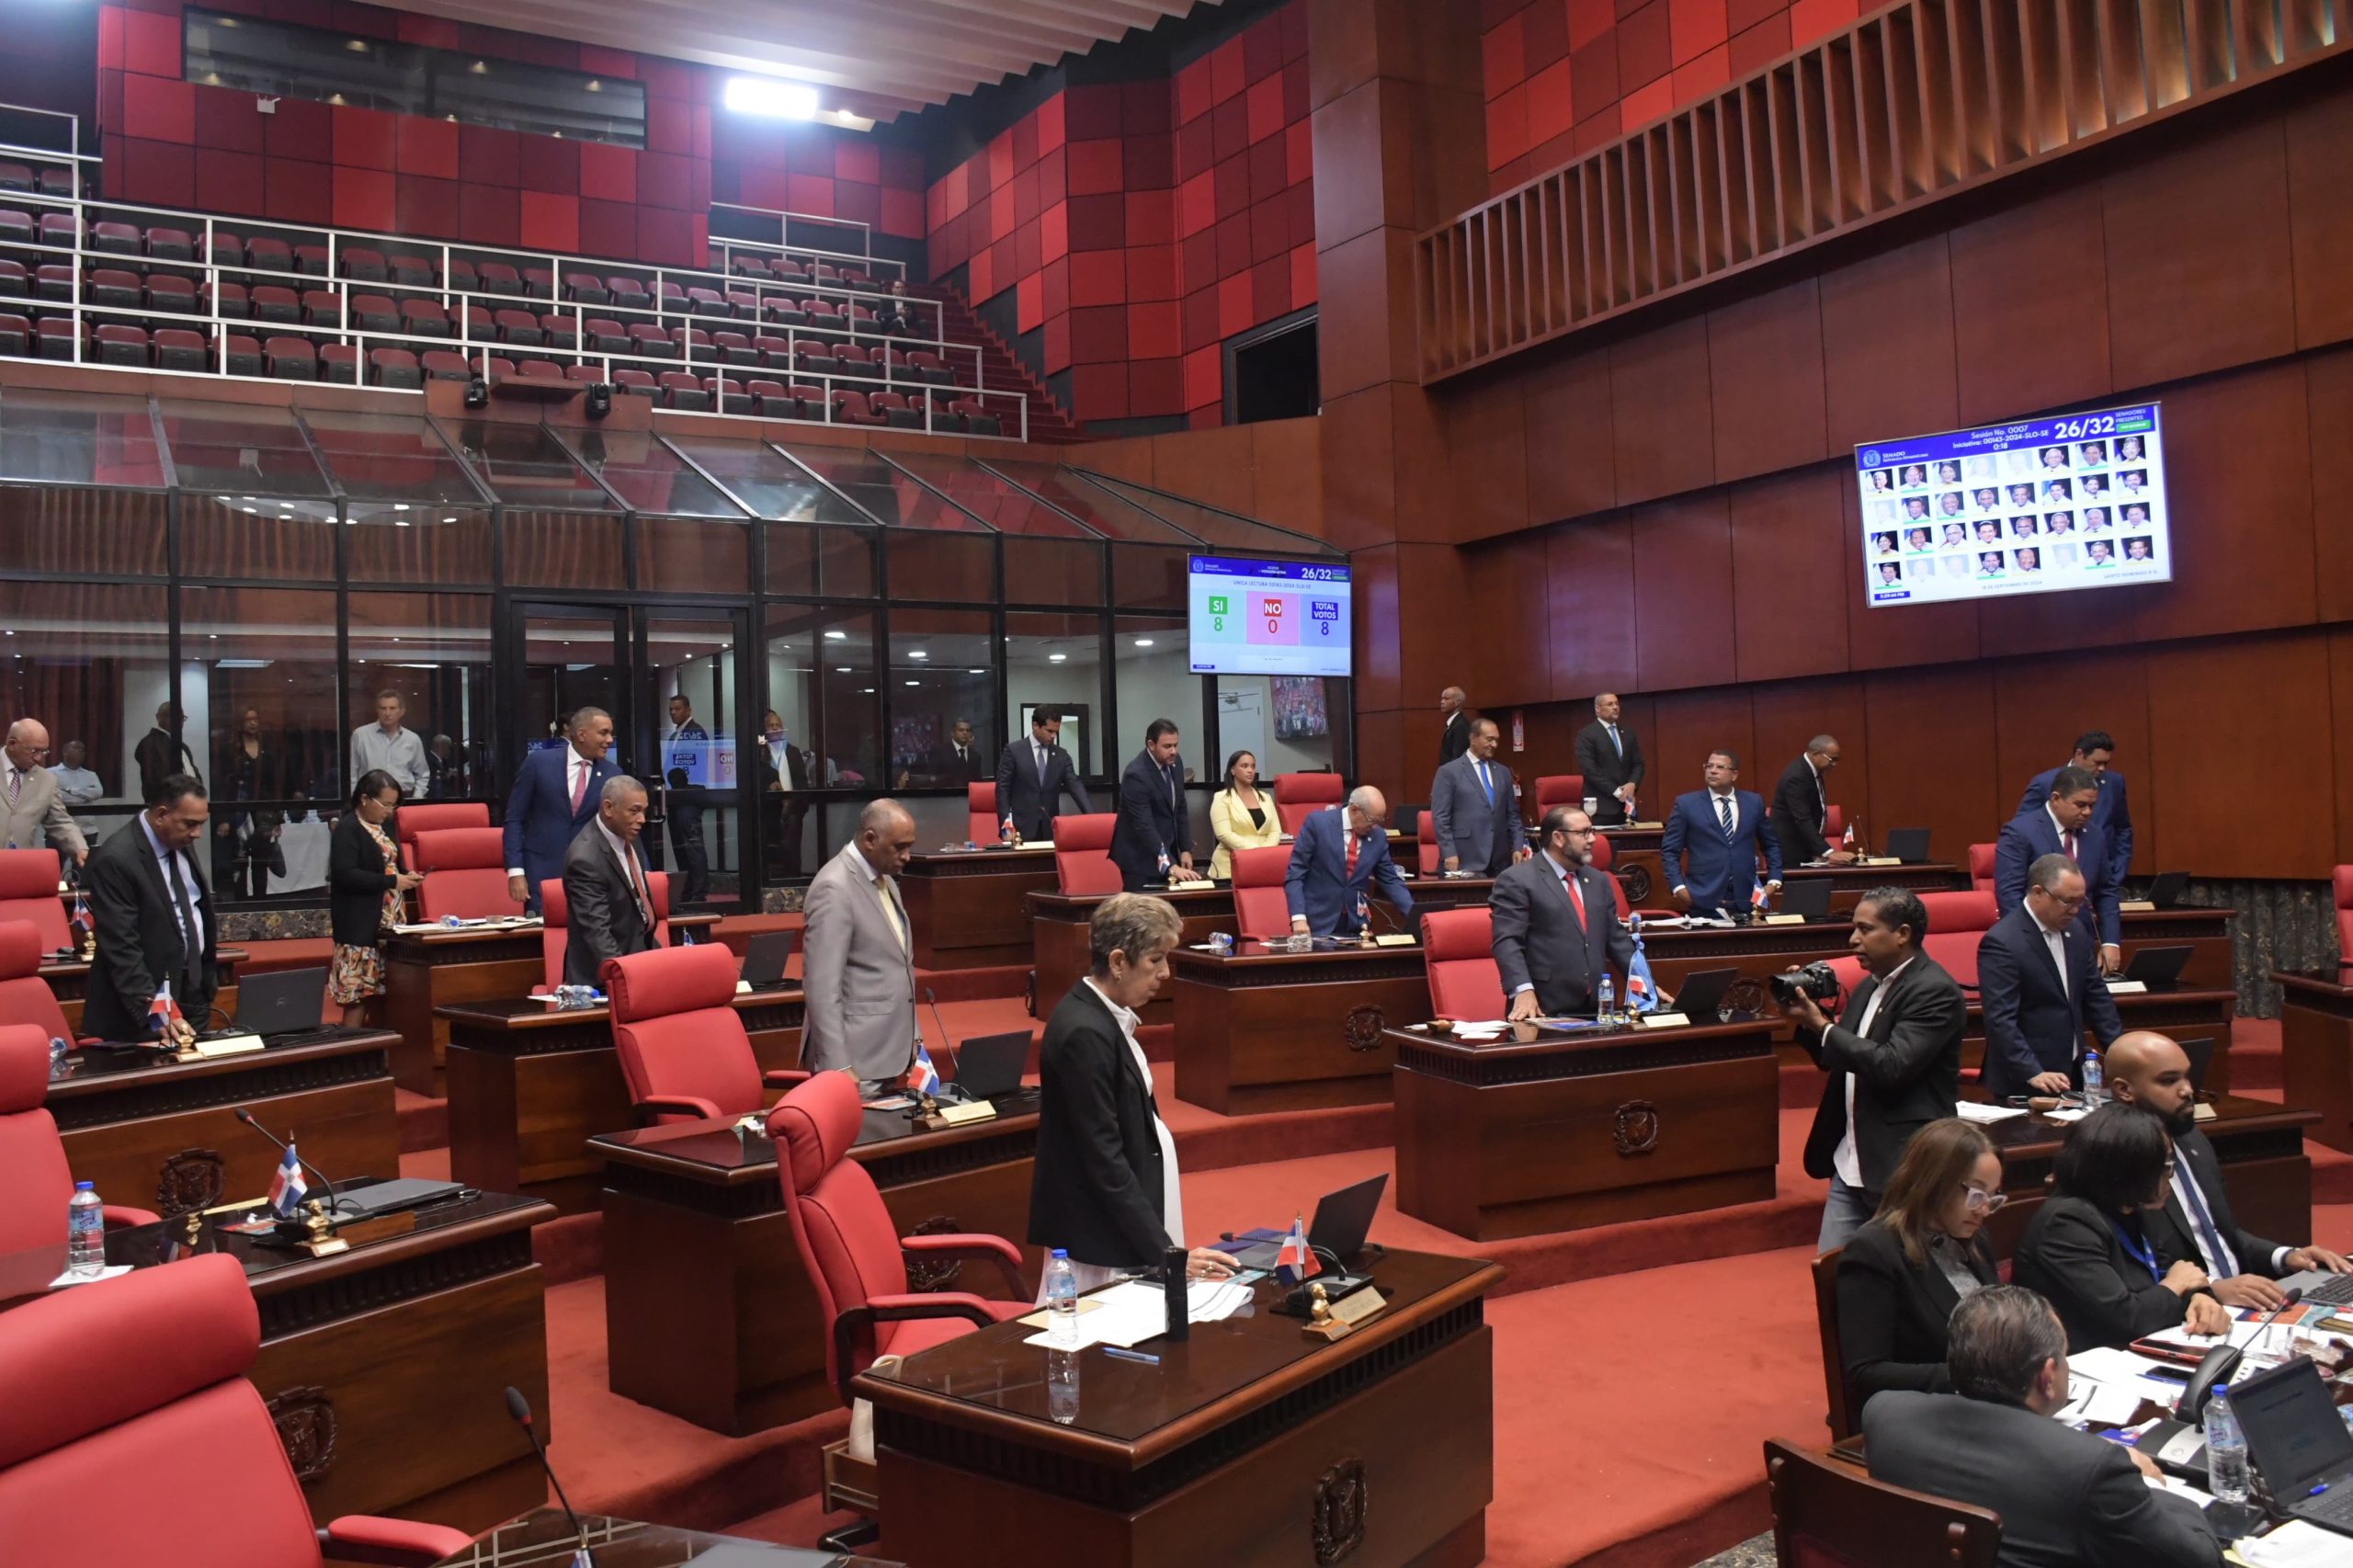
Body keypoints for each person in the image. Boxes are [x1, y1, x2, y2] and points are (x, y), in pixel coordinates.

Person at [1863, 1287, 2224, 1568]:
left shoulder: (1885, 1415)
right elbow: (2201, 1560)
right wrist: (2140, 1480)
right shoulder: (2093, 1469)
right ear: (2048, 1377)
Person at [1029, 893, 1240, 1290]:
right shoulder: (1083, 1033)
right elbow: (1102, 1157)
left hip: (1124, 1221)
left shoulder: (1104, 1016)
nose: (1165, 973)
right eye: (1155, 960)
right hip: (1100, 1237)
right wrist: (1164, 1252)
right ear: (1118, 962)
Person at [2105, 1030, 2351, 1307]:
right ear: (2124, 1090)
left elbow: (2222, 1234)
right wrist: (2213, 1290)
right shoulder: (2113, 1166)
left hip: (2246, 1305)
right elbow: (2133, 1273)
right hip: (2187, 1314)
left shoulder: (2192, 1141)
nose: (2187, 1089)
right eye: (2168, 1081)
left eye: (2187, 1076)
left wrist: (2286, 1256)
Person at [1788, 887, 1966, 1249]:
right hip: (1850, 1158)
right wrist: (1811, 1023)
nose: (1853, 940)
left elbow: (1891, 1066)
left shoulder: (1935, 990)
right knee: (1835, 1279)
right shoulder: (1871, 986)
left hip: (1901, 1165)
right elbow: (1837, 1058)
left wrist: (1824, 1028)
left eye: (1865, 930)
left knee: (1901, 1282)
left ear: (1902, 934)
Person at [2013, 1103, 2231, 1349]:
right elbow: (2126, 1317)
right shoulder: (2066, 1223)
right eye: (2164, 1167)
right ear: (2128, 1172)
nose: (2169, 1176)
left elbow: (2172, 1271)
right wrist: (2177, 1285)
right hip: (2081, 1364)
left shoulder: (2134, 1208)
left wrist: (2199, 1297)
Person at [1833, 1119, 2003, 1412]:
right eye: (1976, 1195)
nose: (1984, 1210)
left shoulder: (1974, 1238)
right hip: (1919, 1414)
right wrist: (1975, 1379)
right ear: (1934, 1183)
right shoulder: (1874, 1251)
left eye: (1991, 1197)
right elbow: (1866, 1373)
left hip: (1985, 1405)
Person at [83, 773, 215, 1045]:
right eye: (190, 824)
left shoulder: (177, 840)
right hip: (143, 1007)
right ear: (161, 815)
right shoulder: (116, 858)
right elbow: (120, 945)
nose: (197, 834)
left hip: (193, 991)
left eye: (201, 824)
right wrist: (154, 1010)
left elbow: (192, 908)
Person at [1977, 853, 2123, 1098]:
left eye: (2081, 902)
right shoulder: (2002, 942)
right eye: (2068, 902)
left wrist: (2123, 1056)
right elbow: (2000, 1019)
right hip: (2025, 1080)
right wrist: (2032, 1071)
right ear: (2037, 892)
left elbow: (2096, 998)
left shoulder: (2075, 931)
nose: (2075, 911)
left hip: (2072, 1073)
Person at [801, 799, 920, 1082]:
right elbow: (821, 987)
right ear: (870, 839)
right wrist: (838, 1066)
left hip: (891, 1051)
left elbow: (897, 965)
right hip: (855, 1060)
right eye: (899, 847)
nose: (907, 856)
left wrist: (914, 1037)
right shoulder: (834, 887)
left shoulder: (886, 880)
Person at [1494, 805, 1631, 1020]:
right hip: (1542, 1009)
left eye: (1592, 831)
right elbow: (1507, 942)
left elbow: (1617, 940)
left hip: (1596, 1009)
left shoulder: (1599, 881)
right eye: (1583, 833)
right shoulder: (1517, 880)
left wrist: (1645, 983)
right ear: (1558, 838)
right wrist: (1523, 990)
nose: (1593, 839)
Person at [1994, 765, 2120, 973]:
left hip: (2080, 943)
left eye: (2091, 805)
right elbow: (2009, 894)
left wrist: (2110, 942)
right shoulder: (2020, 832)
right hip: (2035, 943)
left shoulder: (2095, 835)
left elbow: (2106, 890)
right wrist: (2027, 944)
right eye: (2080, 805)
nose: (2087, 812)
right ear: (2055, 799)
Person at [327, 769, 422, 1026]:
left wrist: (406, 876)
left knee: (384, 995)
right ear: (365, 799)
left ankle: (385, 1057)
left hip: (388, 924)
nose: (390, 811)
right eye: (386, 804)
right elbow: (346, 875)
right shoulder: (348, 829)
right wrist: (393, 881)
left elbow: (387, 867)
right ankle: (350, 1058)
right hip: (359, 928)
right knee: (359, 997)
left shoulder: (382, 828)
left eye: (394, 805)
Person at [503, 707, 619, 915]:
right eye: (603, 732)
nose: (610, 739)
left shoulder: (612, 773)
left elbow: (620, 827)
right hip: (541, 871)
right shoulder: (538, 763)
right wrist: (515, 871)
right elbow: (514, 819)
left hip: (590, 876)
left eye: (610, 733)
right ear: (582, 734)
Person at [561, 776, 661, 989]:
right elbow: (598, 933)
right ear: (608, 808)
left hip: (640, 960)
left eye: (644, 811)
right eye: (634, 811)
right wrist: (625, 978)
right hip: (604, 980)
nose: (642, 819)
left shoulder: (629, 838)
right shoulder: (585, 859)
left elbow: (637, 908)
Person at [1660, 750, 1780, 916]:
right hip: (1702, 896)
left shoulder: (1753, 802)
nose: (1712, 770)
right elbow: (1670, 851)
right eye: (1709, 766)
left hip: (1746, 897)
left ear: (1734, 774)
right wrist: (1678, 888)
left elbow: (1771, 845)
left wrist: (1774, 881)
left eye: (1720, 767)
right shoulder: (1686, 804)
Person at [1286, 786, 1411, 938]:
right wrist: (1298, 917)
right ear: (1354, 810)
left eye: (1380, 821)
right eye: (1372, 820)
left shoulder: (1377, 836)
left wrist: (1414, 915)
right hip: (1317, 924)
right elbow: (1295, 874)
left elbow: (1390, 880)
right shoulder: (1318, 824)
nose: (1375, 827)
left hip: (1357, 925)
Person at [1429, 718, 1526, 878]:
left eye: (1497, 740)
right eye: (1489, 739)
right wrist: (1449, 852)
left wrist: (1517, 847)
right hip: (1464, 859)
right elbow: (1440, 817)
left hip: (1500, 862)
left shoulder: (1502, 772)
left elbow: (1513, 816)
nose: (1494, 745)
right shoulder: (1449, 772)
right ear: (1473, 739)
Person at [1109, 719, 1192, 891]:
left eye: (1176, 745)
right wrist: (1170, 866)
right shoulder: (1136, 774)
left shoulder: (1176, 764)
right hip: (1139, 859)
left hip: (1167, 851)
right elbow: (1144, 826)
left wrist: (1185, 849)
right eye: (1167, 746)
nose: (1173, 751)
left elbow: (1180, 807)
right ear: (1151, 744)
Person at [0, 719, 88, 867]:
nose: (38, 758)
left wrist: (80, 848)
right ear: (12, 744)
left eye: (44, 751)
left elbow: (60, 822)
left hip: (18, 869)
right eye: (34, 751)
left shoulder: (47, 780)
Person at [995, 708, 1091, 841]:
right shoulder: (1014, 751)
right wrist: (1006, 826)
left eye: (1056, 732)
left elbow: (1075, 786)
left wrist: (1092, 817)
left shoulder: (1061, 755)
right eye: (1049, 731)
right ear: (1035, 725)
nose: (1053, 736)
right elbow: (1002, 790)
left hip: (1049, 828)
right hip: (1019, 829)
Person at [214, 707, 280, 901]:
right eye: (248, 719)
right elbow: (222, 785)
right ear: (240, 723)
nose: (253, 723)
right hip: (237, 810)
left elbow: (274, 783)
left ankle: (260, 904)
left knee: (261, 862)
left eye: (256, 719)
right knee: (239, 862)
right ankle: (241, 905)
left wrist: (277, 818)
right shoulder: (230, 749)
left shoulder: (266, 747)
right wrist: (223, 818)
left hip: (262, 812)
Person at [1771, 734, 1853, 869]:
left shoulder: (1812, 772)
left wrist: (1818, 850)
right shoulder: (1796, 776)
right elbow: (1802, 819)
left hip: (1807, 849)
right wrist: (1828, 852)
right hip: (1792, 852)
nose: (1834, 764)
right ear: (1815, 754)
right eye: (1831, 760)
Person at [662, 696, 710, 905]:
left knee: (692, 846)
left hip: (689, 796)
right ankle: (687, 890)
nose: (673, 713)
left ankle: (698, 893)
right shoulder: (674, 736)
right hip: (676, 797)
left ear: (688, 710)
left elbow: (694, 766)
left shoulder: (695, 732)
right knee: (681, 846)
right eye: (671, 709)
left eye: (677, 709)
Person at [1207, 749, 1281, 880]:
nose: (1250, 770)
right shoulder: (1222, 798)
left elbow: (1275, 831)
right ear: (1232, 770)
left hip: (1262, 865)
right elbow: (1224, 834)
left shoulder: (1265, 797)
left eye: (1253, 766)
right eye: (1244, 766)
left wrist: (1265, 853)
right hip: (1229, 868)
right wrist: (1255, 852)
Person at [1572, 692, 1644, 825]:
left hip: (1627, 807)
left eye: (1617, 703)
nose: (1615, 707)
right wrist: (1618, 793)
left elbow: (1638, 764)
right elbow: (1590, 771)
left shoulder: (1628, 732)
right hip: (1600, 809)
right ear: (1597, 708)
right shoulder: (1586, 734)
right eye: (1610, 704)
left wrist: (1632, 784)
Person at [757, 710, 814, 875]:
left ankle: (793, 883)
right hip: (769, 811)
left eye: (778, 725)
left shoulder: (793, 752)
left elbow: (802, 781)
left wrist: (797, 805)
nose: (775, 728)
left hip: (793, 810)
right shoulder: (760, 753)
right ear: (765, 730)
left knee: (792, 851)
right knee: (771, 854)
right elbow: (756, 779)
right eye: (771, 726)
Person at [349, 691, 431, 802]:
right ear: (377, 710)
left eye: (392, 708)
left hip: (404, 799)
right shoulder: (361, 735)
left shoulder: (412, 739)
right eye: (383, 708)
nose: (387, 713)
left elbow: (422, 775)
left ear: (401, 711)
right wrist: (356, 801)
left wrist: (416, 799)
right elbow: (352, 773)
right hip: (370, 800)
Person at [134, 703, 198, 803]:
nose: (179, 721)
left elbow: (192, 773)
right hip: (168, 804)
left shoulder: (182, 746)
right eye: (173, 716)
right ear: (159, 717)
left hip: (187, 802)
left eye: (181, 718)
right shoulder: (150, 743)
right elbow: (151, 780)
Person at [50, 739, 103, 853]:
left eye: (83, 749)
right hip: (59, 831)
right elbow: (56, 796)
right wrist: (85, 796)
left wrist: (72, 791)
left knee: (84, 869)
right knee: (55, 867)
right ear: (64, 751)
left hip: (87, 831)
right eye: (77, 748)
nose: (81, 751)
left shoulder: (90, 775)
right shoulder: (50, 773)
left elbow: (98, 792)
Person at [929, 718, 990, 786]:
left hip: (968, 795)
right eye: (961, 730)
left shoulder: (975, 756)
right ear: (952, 733)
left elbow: (977, 782)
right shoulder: (940, 752)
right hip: (945, 794)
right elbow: (932, 778)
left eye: (968, 730)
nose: (965, 733)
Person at [1437, 686, 1472, 766]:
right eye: (1442, 699)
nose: (1442, 702)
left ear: (1457, 702)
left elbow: (1458, 757)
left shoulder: (1461, 725)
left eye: (1446, 699)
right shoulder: (1452, 724)